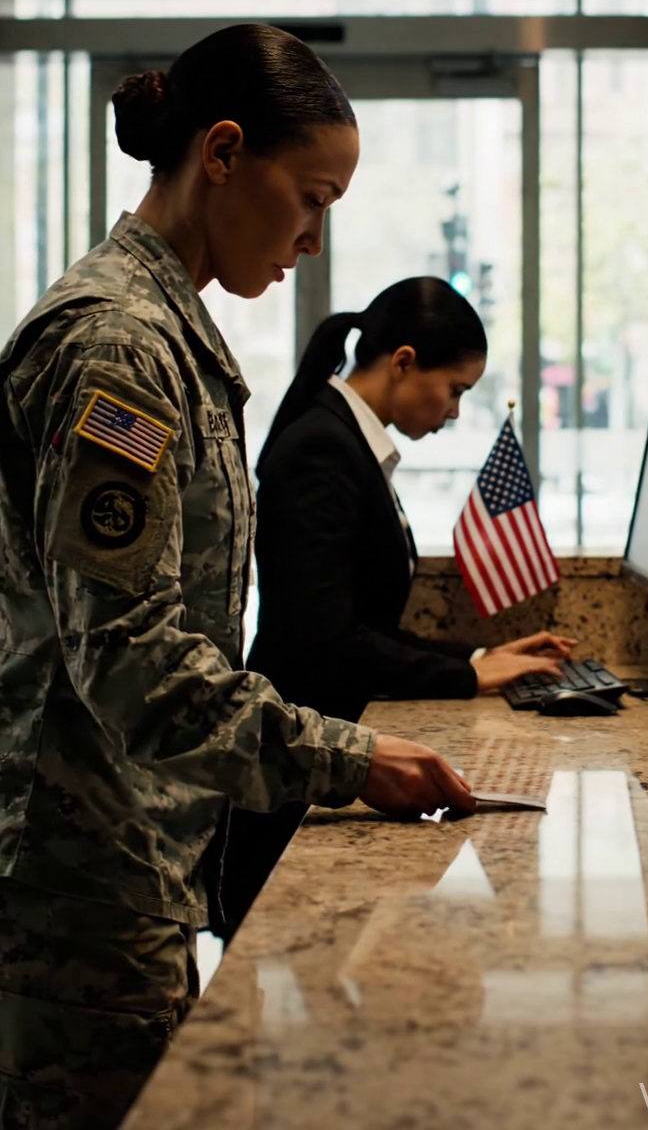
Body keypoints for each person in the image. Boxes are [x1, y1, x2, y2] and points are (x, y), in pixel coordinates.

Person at [0, 24, 476, 1130]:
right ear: (221, 153)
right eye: (312, 197)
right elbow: (131, 662)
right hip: (78, 894)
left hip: (134, 864)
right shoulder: (116, 343)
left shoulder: (169, 331)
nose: (314, 240)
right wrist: (348, 757)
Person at [217, 280, 572, 939]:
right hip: (296, 771)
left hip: (322, 750)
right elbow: (325, 638)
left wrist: (476, 657)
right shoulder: (322, 448)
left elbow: (362, 626)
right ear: (404, 361)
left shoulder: (345, 439)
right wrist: (465, 675)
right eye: (457, 389)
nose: (457, 411)